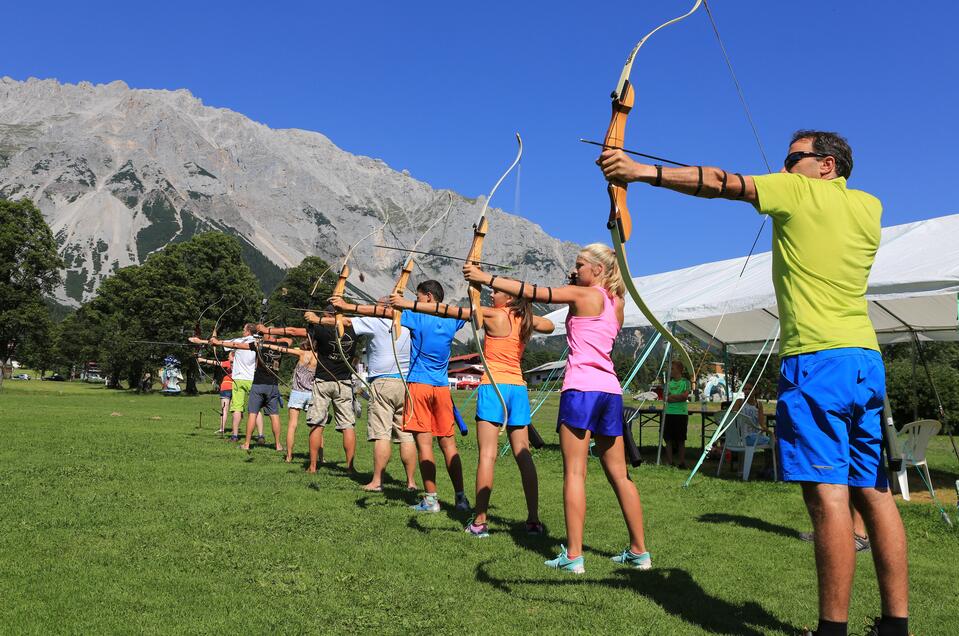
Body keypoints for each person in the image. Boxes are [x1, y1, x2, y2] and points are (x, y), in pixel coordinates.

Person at [599, 130, 907, 636]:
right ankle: (897, 628)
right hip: (863, 359)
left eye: (795, 159)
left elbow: (721, 182)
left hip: (817, 360)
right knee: (872, 491)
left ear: (826, 165)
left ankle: (832, 632)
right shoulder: (869, 207)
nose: (785, 168)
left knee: (827, 496)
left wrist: (639, 172)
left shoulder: (800, 191)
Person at [466, 244, 651, 573]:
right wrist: (578, 285)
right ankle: (640, 552)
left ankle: (574, 555)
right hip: (610, 391)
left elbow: (533, 291)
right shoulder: (616, 302)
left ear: (598, 270)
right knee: (620, 475)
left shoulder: (582, 296)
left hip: (581, 389)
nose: (575, 268)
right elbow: (582, 320)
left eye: (580, 264)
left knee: (575, 473)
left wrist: (484, 277)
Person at [400, 272, 554, 537]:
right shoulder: (527, 319)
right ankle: (532, 521)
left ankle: (480, 521)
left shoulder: (494, 315)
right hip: (518, 389)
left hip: (494, 386)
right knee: (523, 455)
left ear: (508, 296)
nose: (491, 294)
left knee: (487, 455)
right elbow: (549, 326)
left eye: (496, 291)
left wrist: (406, 304)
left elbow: (449, 310)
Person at [346, 280, 470, 512]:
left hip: (419, 388)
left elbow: (381, 312)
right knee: (449, 445)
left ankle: (431, 500)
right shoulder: (453, 318)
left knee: (424, 445)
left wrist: (349, 306)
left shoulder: (418, 318)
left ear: (430, 298)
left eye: (420, 297)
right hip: (442, 389)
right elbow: (471, 310)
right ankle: (461, 498)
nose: (417, 302)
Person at [321, 298, 419, 492]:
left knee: (382, 434)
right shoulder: (410, 321)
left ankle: (377, 481)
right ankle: (411, 482)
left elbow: (344, 322)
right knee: (406, 436)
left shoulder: (376, 321)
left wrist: (320, 318)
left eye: (377, 305)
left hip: (382, 383)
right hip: (407, 384)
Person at [278, 310, 359, 473]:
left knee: (317, 424)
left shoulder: (322, 329)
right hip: (343, 382)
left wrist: (313, 320)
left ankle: (313, 466)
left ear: (328, 315)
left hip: (323, 381)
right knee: (347, 426)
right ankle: (350, 468)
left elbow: (296, 332)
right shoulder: (354, 328)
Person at [200, 327, 284, 452]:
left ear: (248, 331)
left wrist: (212, 341)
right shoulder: (264, 342)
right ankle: (263, 436)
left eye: (244, 330)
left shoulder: (249, 342)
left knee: (241, 409)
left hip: (241, 379)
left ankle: (235, 436)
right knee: (266, 412)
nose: (242, 332)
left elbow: (231, 344)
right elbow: (288, 339)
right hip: (256, 380)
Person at [252, 332, 317, 463]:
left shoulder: (301, 353)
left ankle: (289, 457)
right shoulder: (319, 357)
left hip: (297, 393)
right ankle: (320, 457)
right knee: (316, 427)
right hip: (312, 394)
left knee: (292, 425)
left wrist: (263, 344)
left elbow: (281, 349)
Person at [662, 360, 691, 468]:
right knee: (668, 439)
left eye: (672, 368)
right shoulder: (667, 384)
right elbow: (666, 398)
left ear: (679, 370)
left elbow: (685, 397)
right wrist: (678, 397)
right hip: (669, 413)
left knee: (680, 439)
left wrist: (672, 397)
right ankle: (670, 462)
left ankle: (682, 462)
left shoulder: (685, 382)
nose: (670, 371)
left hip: (681, 413)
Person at [198, 352, 233, 435]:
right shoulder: (242, 364)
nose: (228, 358)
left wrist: (202, 360)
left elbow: (216, 363)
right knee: (235, 410)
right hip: (236, 388)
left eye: (229, 356)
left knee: (224, 409)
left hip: (226, 387)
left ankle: (222, 429)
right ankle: (234, 431)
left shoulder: (229, 363)